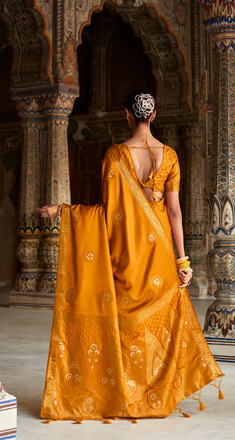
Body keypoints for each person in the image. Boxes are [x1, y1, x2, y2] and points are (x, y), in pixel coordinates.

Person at [37, 91, 223, 422]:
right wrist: (183, 262)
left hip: (128, 255)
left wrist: (65, 212)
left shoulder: (116, 155)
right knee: (158, 329)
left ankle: (128, 395)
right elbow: (175, 212)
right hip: (162, 255)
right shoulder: (170, 157)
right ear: (153, 116)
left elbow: (109, 215)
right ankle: (154, 395)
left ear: (127, 115)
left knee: (125, 328)